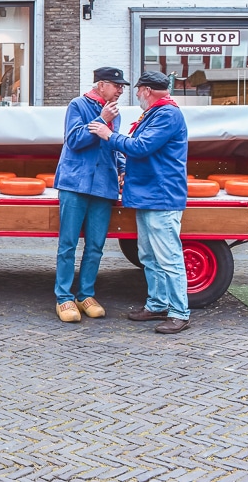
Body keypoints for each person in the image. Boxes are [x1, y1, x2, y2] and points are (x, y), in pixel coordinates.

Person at [88, 71, 191, 334]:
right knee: (149, 255)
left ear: (146, 90)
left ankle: (180, 313)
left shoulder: (167, 114)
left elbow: (141, 146)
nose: (135, 94)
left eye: (137, 90)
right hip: (150, 195)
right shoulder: (157, 113)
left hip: (161, 196)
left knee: (168, 257)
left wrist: (107, 134)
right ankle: (157, 304)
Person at [52, 67, 128, 323]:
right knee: (68, 244)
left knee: (96, 246)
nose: (120, 90)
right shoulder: (78, 105)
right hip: (75, 183)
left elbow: (113, 144)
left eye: (122, 87)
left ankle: (86, 294)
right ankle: (64, 297)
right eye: (117, 86)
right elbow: (73, 141)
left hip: (104, 185)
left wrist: (122, 169)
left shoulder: (114, 111)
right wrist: (102, 118)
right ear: (101, 85)